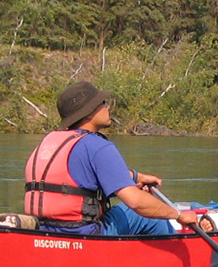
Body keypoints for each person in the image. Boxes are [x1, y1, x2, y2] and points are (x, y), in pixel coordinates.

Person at [25, 81, 200, 235]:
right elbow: (136, 202)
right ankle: (173, 259)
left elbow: (79, 177)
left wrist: (136, 177)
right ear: (88, 112)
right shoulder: (97, 145)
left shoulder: (50, 142)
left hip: (45, 231)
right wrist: (178, 214)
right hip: (87, 233)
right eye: (102, 103)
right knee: (147, 212)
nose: (107, 107)